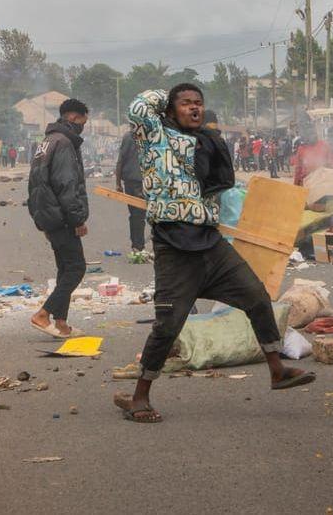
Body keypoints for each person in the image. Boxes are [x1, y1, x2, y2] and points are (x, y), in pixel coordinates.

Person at [116, 85, 314, 424]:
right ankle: (139, 397)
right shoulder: (154, 137)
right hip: (174, 248)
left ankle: (277, 370)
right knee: (168, 326)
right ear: (169, 109)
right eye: (185, 103)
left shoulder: (207, 143)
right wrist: (168, 97)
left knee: (256, 297)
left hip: (210, 243)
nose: (194, 108)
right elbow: (138, 106)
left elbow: (222, 184)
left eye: (198, 103)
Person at [28, 99, 91, 339]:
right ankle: (43, 314)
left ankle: (61, 323)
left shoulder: (47, 141)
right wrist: (77, 219)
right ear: (73, 118)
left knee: (65, 268)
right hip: (62, 216)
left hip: (49, 215)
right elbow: (67, 185)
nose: (83, 127)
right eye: (83, 122)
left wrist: (41, 218)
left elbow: (35, 182)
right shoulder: (64, 143)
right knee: (76, 268)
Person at [115, 126, 146, 251]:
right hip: (139, 182)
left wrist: (118, 183)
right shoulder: (147, 136)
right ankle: (138, 246)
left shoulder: (129, 136)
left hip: (134, 182)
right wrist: (118, 183)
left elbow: (120, 160)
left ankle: (137, 246)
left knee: (136, 216)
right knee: (139, 216)